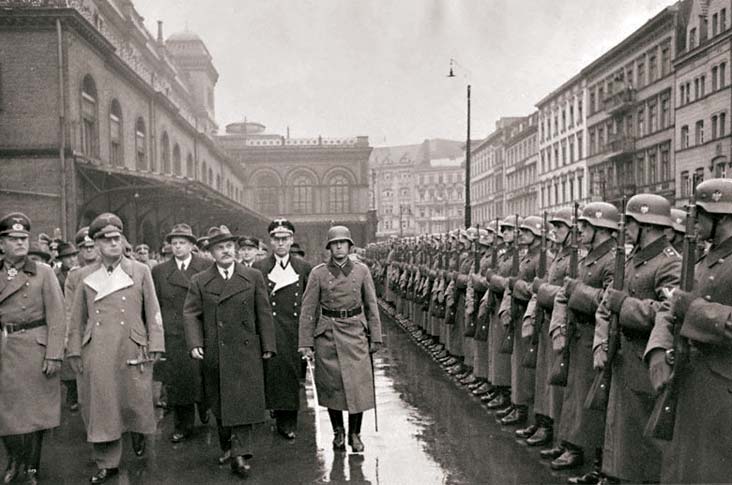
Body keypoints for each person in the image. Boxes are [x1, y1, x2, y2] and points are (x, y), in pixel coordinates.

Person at [67, 213, 165, 484]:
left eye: (117, 238)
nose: (113, 243)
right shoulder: (84, 275)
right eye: (106, 239)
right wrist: (74, 350)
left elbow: (152, 310)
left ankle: (137, 433)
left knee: (134, 399)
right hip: (97, 347)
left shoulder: (139, 270)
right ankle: (106, 462)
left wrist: (156, 342)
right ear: (96, 244)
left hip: (132, 344)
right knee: (102, 405)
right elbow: (77, 318)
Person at [646, 178, 732, 484]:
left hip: (722, 389)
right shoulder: (700, 260)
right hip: (688, 378)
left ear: (722, 217)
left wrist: (693, 309)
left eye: (701, 215)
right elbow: (669, 309)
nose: (693, 222)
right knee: (682, 469)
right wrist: (658, 350)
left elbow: (685, 306)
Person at [593, 194, 680, 484]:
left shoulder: (669, 263)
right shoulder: (634, 257)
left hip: (645, 359)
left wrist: (626, 306)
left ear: (648, 225)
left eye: (631, 222)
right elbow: (609, 302)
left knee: (645, 439)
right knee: (622, 429)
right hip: (624, 356)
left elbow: (669, 313)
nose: (626, 228)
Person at [183, 225, 275, 478]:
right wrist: (195, 343)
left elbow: (263, 312)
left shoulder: (253, 276)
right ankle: (227, 445)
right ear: (211, 253)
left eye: (229, 246)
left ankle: (240, 453)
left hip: (246, 350)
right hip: (216, 350)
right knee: (220, 403)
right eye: (219, 248)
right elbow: (191, 314)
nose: (226, 251)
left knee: (244, 401)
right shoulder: (200, 280)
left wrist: (268, 345)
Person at [298, 225, 383, 453]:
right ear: (329, 247)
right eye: (334, 243)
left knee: (357, 386)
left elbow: (371, 305)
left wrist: (375, 336)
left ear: (349, 246)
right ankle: (338, 432)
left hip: (355, 333)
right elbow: (308, 309)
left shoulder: (362, 271)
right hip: (328, 333)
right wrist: (305, 343)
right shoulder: (318, 274)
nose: (338, 247)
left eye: (342, 243)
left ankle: (355, 434)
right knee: (332, 386)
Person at [0, 212, 65, 485]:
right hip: (5, 348)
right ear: (1, 244)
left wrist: (54, 354)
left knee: (36, 414)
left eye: (23, 238)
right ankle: (15, 459)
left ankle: (31, 468)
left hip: (35, 348)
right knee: (6, 412)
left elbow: (58, 316)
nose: (20, 243)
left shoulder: (43, 272)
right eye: (13, 239)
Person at [152, 223, 210, 444]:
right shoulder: (160, 271)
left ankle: (204, 407)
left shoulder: (205, 266)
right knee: (178, 381)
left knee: (202, 376)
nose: (177, 247)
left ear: (192, 245)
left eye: (182, 243)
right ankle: (182, 426)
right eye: (174, 243)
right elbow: (155, 304)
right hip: (174, 333)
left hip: (200, 330)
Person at [253, 219, 311, 440]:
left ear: (291, 240)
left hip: (293, 331)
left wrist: (308, 336)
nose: (280, 243)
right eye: (276, 239)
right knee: (272, 373)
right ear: (270, 241)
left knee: (290, 375)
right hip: (269, 328)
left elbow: (309, 303)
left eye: (284, 239)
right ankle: (276, 412)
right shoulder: (259, 267)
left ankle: (288, 422)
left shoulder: (303, 268)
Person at [60, 227, 100, 414]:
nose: (89, 250)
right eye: (84, 247)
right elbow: (69, 309)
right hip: (86, 333)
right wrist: (70, 339)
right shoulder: (75, 275)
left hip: (109, 329)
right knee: (87, 381)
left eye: (92, 246)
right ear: (79, 251)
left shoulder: (109, 268)